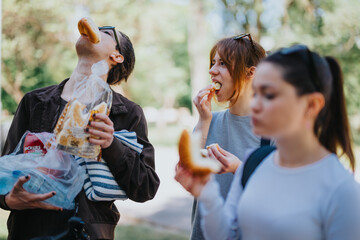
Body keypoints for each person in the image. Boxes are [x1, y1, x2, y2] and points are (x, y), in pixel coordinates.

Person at [176, 45, 360, 240]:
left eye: (269, 94)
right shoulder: (253, 163)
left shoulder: (342, 191)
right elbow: (226, 235)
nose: (255, 104)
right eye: (256, 92)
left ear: (312, 105)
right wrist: (207, 193)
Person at [0, 23, 160, 239]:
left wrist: (111, 144)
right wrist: (8, 200)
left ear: (117, 56)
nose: (91, 29)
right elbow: (4, 168)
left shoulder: (129, 114)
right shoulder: (34, 102)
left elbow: (146, 187)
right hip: (29, 231)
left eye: (104, 32)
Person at [190, 34, 266, 240]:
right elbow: (189, 172)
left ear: (251, 73)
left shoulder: (273, 132)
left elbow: (282, 196)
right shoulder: (208, 120)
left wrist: (239, 169)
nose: (212, 70)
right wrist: (203, 120)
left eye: (222, 63)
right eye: (213, 62)